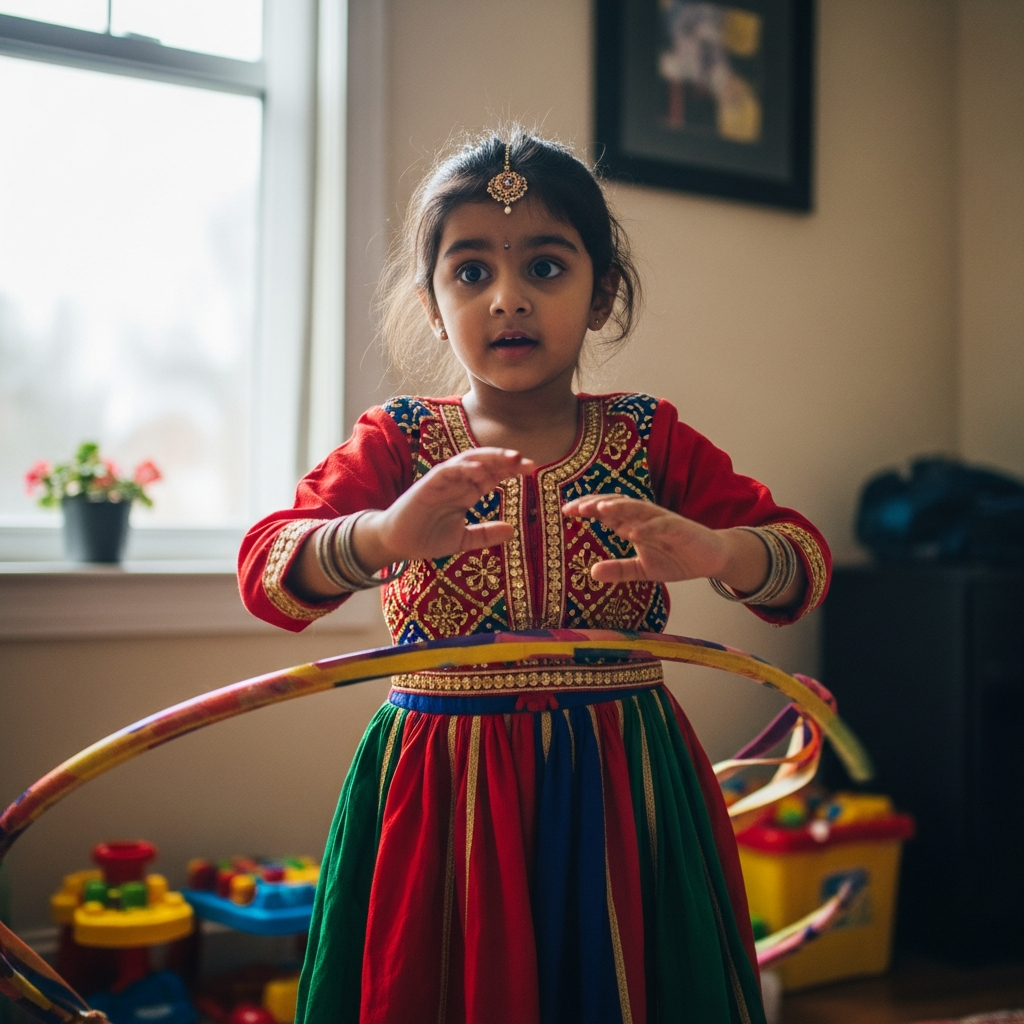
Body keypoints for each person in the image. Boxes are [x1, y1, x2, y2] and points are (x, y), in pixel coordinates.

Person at [238, 129, 831, 1024]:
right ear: (433, 305)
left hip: (623, 782)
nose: (508, 299)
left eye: (546, 269)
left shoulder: (650, 437)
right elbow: (268, 571)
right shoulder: (396, 441)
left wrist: (722, 554)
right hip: (443, 789)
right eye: (471, 273)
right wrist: (382, 535)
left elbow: (802, 564)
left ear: (603, 294)